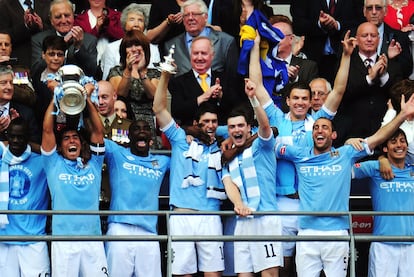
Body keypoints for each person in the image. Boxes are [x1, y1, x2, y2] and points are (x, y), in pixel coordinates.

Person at [248, 30, 355, 277]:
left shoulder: (319, 121)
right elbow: (256, 87)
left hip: (312, 207)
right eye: (295, 98)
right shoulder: (275, 118)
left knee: (309, 268)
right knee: (284, 266)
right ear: (287, 101)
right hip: (283, 201)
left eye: (305, 99)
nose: (300, 102)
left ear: (311, 102)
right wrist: (254, 49)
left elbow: (338, 91)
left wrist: (347, 56)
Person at [274, 91, 414, 277]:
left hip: (337, 233)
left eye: (325, 127)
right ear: (312, 134)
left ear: (333, 134)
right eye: (316, 127)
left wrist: (402, 115)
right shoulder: (300, 154)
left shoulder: (345, 154)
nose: (319, 130)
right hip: (307, 232)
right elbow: (268, 143)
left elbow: (379, 137)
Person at [153, 66, 225, 276]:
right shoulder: (180, 139)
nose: (210, 126)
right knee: (184, 274)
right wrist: (165, 76)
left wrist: (216, 132)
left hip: (210, 215)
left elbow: (238, 128)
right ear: (196, 124)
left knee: (213, 274)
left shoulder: (221, 144)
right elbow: (158, 108)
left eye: (214, 122)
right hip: (181, 215)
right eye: (205, 122)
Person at [41, 79, 107, 276]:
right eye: (67, 138)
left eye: (75, 137)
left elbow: (98, 131)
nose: (71, 140)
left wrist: (85, 97)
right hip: (63, 241)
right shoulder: (53, 163)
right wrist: (56, 97)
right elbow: (46, 130)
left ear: (81, 143)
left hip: (93, 240)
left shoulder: (94, 164)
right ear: (60, 147)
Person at [222, 79, 282, 276]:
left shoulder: (260, 145)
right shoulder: (229, 154)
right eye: (232, 127)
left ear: (249, 128)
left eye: (241, 126)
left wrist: (253, 99)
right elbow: (229, 183)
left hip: (266, 218)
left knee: (269, 274)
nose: (236, 130)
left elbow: (266, 126)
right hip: (243, 220)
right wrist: (238, 204)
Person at [104, 119, 170, 277]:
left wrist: (190, 135)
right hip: (120, 228)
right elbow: (96, 134)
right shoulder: (116, 153)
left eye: (146, 128)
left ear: (151, 137)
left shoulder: (162, 161)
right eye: (136, 129)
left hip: (149, 233)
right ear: (129, 136)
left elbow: (183, 152)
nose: (142, 131)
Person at [352, 128, 414, 277]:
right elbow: (341, 171)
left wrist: (382, 158)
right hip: (383, 245)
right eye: (393, 142)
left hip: (411, 244)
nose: (399, 145)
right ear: (385, 148)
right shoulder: (375, 168)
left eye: (402, 141)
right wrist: (350, 144)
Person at [333, 21, 403, 146]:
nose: (369, 39)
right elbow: (343, 93)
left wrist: (383, 76)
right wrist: (369, 78)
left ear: (379, 39)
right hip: (352, 133)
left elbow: (398, 95)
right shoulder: (346, 61)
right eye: (365, 36)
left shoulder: (391, 62)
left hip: (383, 134)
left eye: (373, 35)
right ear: (357, 40)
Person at [0, 118, 50, 276]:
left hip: (33, 241)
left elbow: (51, 151)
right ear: (7, 137)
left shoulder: (42, 162)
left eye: (20, 137)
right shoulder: (2, 159)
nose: (15, 141)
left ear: (28, 137)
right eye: (12, 136)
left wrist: (34, 147)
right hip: (4, 239)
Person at [168, 36, 245, 126]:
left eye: (204, 53)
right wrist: (203, 97)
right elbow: (177, 111)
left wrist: (221, 96)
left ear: (212, 55)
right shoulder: (178, 82)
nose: (199, 58)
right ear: (190, 55)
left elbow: (238, 107)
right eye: (195, 53)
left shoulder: (226, 78)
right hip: (192, 135)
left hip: (223, 133)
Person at [290, 0, 365, 84]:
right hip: (313, 59)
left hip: (346, 58)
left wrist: (338, 25)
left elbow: (362, 21)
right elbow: (297, 25)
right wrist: (319, 25)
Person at [108, 29, 159, 149]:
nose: (134, 49)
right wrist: (128, 70)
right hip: (122, 123)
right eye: (129, 46)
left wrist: (141, 73)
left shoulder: (155, 73)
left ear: (145, 48)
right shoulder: (116, 71)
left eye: (138, 45)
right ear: (123, 51)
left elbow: (154, 95)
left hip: (147, 125)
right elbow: (119, 94)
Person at [164, 0, 239, 79]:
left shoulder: (225, 42)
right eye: (186, 15)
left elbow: (232, 80)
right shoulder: (171, 46)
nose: (190, 18)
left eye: (195, 14)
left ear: (205, 17)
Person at [31, 0, 99, 78]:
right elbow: (36, 71)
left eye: (67, 16)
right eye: (58, 17)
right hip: (48, 87)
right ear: (51, 20)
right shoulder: (39, 39)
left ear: (73, 16)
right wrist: (61, 45)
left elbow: (92, 72)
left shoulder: (89, 40)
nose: (63, 21)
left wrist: (78, 48)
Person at [101, 3, 161, 81]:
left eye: (140, 20)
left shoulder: (153, 49)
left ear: (144, 25)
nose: (136, 24)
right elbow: (106, 79)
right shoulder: (111, 48)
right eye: (132, 20)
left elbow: (157, 81)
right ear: (124, 23)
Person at [270, 15, 319, 110]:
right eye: (271, 36)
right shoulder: (263, 65)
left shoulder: (308, 67)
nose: (274, 40)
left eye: (278, 36)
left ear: (291, 39)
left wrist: (294, 80)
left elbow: (311, 100)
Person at [363, 0, 413, 78]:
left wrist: (390, 61)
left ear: (385, 11)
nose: (374, 12)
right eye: (369, 8)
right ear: (364, 11)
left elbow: (407, 70)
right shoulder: (352, 37)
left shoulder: (399, 37)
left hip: (390, 88)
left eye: (378, 8)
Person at [0, 0, 51, 67]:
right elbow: (3, 36)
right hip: (18, 62)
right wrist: (25, 26)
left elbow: (54, 31)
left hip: (45, 62)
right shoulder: (3, 6)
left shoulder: (48, 3)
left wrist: (41, 26)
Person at [74, 0, 124, 67]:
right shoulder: (79, 20)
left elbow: (122, 36)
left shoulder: (118, 16)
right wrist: (96, 29)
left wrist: (106, 26)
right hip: (88, 65)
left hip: (114, 63)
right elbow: (80, 45)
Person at [32, 35, 67, 127]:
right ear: (43, 55)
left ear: (64, 57)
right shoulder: (36, 77)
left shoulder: (71, 78)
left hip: (66, 127)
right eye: (51, 54)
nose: (56, 58)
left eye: (59, 54)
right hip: (40, 126)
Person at [0, 66, 40, 143]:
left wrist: (15, 129)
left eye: (11, 83)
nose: (9, 87)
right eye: (4, 83)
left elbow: (35, 141)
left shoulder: (25, 113)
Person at [0, 31, 36, 108]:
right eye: (0, 44)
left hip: (15, 112)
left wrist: (9, 86)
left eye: (6, 45)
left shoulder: (19, 71)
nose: (3, 48)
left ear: (11, 48)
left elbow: (30, 97)